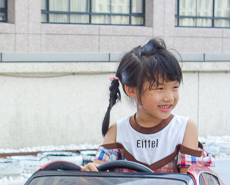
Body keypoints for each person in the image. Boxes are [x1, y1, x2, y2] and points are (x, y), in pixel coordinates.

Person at [83, 38, 213, 174]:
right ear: (131, 90)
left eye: (175, 87)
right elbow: (98, 174)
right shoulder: (117, 131)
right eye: (159, 88)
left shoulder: (185, 128)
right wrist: (90, 172)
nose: (169, 97)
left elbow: (188, 184)